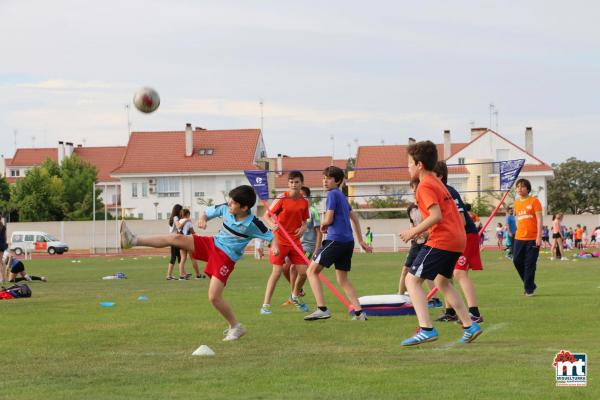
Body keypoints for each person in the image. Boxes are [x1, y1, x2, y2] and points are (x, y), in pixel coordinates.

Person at [120, 185, 276, 341]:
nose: (229, 204)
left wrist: (274, 247)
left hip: (225, 258)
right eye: (230, 201)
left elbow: (272, 237)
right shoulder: (225, 208)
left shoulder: (254, 223)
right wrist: (203, 219)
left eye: (233, 203)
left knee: (214, 297)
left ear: (244, 208)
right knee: (176, 238)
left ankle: (236, 327)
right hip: (213, 243)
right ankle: (132, 240)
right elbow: (206, 214)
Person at [399, 140, 482, 346]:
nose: (407, 167)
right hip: (457, 239)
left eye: (409, 163)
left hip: (443, 239)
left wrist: (413, 231)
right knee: (442, 282)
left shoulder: (424, 185)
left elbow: (435, 215)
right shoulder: (438, 183)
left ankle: (426, 328)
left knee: (412, 280)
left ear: (419, 165)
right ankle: (469, 325)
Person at [304, 166, 372, 321]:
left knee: (311, 271)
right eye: (324, 178)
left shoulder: (332, 195)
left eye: (329, 178)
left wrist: (323, 224)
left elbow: (328, 219)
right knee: (342, 279)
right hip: (348, 242)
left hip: (336, 240)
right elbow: (354, 217)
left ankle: (322, 309)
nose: (325, 181)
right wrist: (361, 240)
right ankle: (360, 313)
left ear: (338, 181)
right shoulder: (342, 196)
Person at [433, 161, 484, 323]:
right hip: (453, 237)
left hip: (465, 236)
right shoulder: (436, 192)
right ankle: (450, 311)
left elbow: (461, 220)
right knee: (444, 275)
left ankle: (474, 313)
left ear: (440, 176)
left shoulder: (449, 192)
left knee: (459, 272)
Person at [260, 170, 310, 315]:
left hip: (295, 242)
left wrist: (303, 228)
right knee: (276, 272)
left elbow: (305, 222)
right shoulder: (281, 198)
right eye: (291, 182)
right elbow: (266, 216)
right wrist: (272, 225)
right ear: (288, 183)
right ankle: (265, 305)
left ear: (302, 183)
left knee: (304, 273)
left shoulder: (304, 201)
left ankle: (295, 296)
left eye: (296, 182)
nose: (293, 185)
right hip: (279, 241)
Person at [397, 180, 441, 309]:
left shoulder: (428, 206)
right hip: (416, 243)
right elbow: (412, 225)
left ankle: (435, 299)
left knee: (426, 273)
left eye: (416, 188)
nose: (414, 191)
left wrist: (425, 233)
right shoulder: (411, 208)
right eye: (412, 189)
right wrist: (412, 233)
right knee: (405, 269)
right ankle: (399, 297)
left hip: (429, 241)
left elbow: (434, 222)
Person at [282, 186, 321, 306]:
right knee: (285, 267)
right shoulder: (296, 210)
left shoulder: (313, 211)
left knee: (294, 268)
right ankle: (298, 290)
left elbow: (319, 232)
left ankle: (293, 297)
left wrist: (317, 249)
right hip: (296, 244)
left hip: (309, 246)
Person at [512, 178, 543, 297]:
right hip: (519, 238)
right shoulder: (516, 203)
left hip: (532, 238)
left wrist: (539, 236)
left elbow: (539, 219)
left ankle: (529, 289)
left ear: (528, 189)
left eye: (522, 186)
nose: (520, 188)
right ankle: (530, 283)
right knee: (516, 261)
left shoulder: (534, 201)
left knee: (530, 263)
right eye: (518, 186)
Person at [179, 208, 204, 280]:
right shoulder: (188, 222)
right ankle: (198, 275)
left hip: (180, 241)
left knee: (183, 258)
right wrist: (199, 236)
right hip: (187, 241)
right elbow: (192, 232)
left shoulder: (180, 221)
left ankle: (181, 275)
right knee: (193, 258)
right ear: (187, 214)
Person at [166, 204, 184, 281]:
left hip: (174, 239)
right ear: (178, 210)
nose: (182, 212)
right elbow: (178, 226)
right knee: (174, 257)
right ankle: (169, 275)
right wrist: (186, 220)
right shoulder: (176, 217)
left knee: (179, 256)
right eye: (181, 210)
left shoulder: (173, 217)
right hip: (174, 239)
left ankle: (182, 274)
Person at [0, 219, 7, 283]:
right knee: (1, 262)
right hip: (2, 245)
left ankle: (1, 278)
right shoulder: (3, 226)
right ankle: (3, 278)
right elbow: (5, 237)